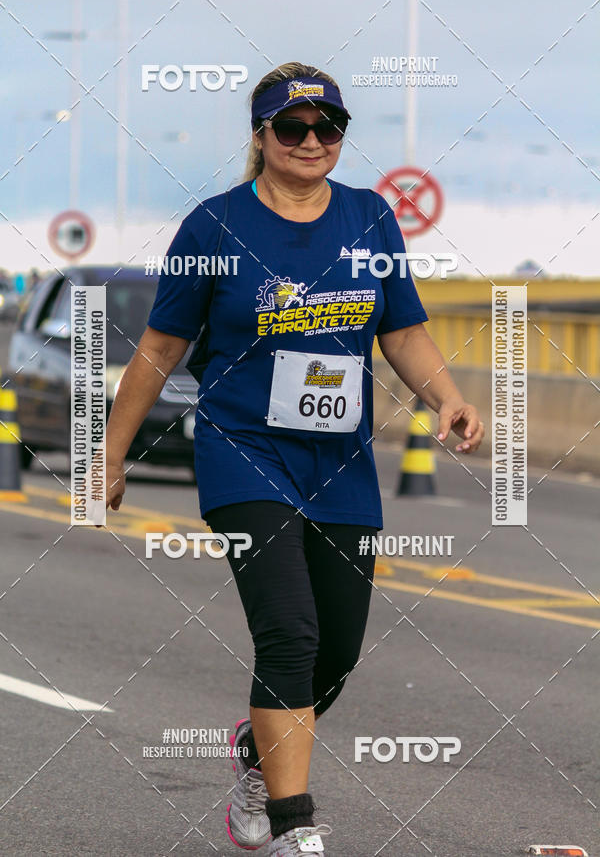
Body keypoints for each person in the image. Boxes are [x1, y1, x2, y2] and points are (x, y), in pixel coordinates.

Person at [103, 61, 484, 855]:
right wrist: (110, 451)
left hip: (339, 462)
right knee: (291, 632)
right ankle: (292, 827)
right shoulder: (212, 227)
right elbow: (162, 347)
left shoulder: (370, 218)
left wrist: (444, 394)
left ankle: (254, 754)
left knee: (337, 652)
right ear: (261, 135)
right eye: (292, 127)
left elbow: (404, 329)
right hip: (243, 451)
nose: (311, 141)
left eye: (328, 128)